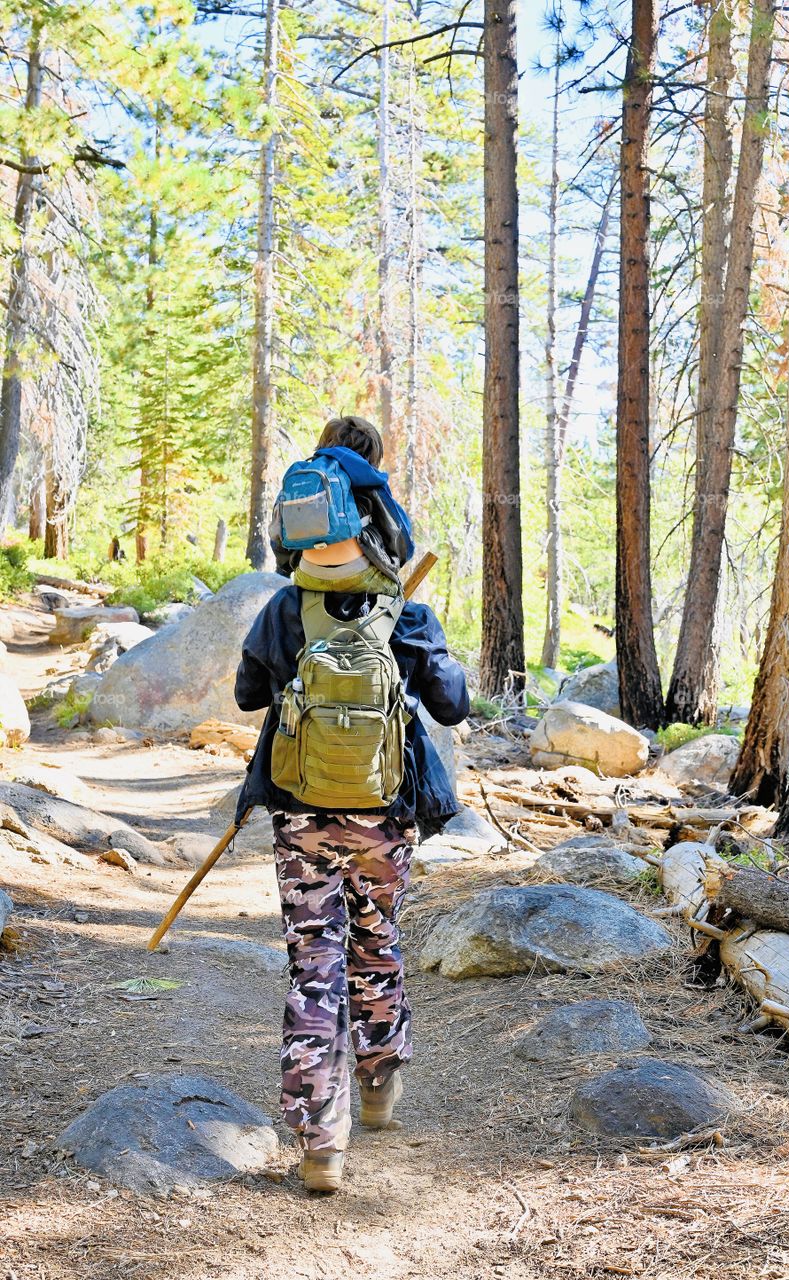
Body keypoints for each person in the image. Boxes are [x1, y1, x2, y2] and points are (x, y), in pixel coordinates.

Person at [234, 415, 470, 1194]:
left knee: (314, 965)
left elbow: (246, 698)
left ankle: (319, 1144)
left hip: (300, 816)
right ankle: (378, 1083)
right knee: (376, 940)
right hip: (385, 816)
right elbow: (453, 706)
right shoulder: (404, 612)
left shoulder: (281, 609)